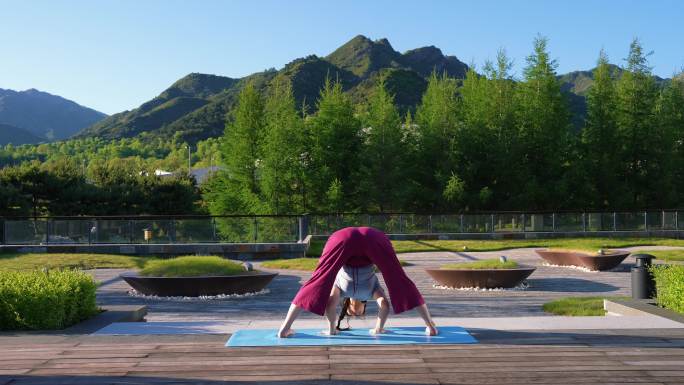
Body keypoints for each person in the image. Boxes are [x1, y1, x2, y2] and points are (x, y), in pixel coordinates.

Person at [278, 226, 438, 337]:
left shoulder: (340, 287)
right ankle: (430, 326)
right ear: (363, 305)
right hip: (370, 237)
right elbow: (384, 305)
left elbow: (330, 305)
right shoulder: (372, 290)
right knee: (398, 278)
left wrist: (332, 330)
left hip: (345, 237)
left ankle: (284, 329)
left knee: (318, 279)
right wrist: (378, 328)